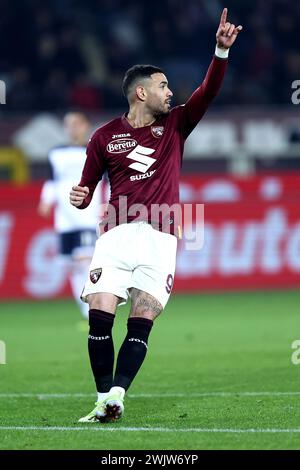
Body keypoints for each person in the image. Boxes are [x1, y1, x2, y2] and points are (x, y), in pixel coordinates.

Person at [70, 9, 242, 422]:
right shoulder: (104, 136)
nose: (171, 91)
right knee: (100, 309)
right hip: (116, 233)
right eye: (163, 86)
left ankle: (116, 396)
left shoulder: (178, 123)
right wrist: (80, 196)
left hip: (161, 237)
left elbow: (208, 92)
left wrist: (220, 50)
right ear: (141, 93)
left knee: (143, 315)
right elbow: (86, 187)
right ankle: (101, 395)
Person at [38, 112, 107, 320]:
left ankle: (96, 311)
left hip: (87, 216)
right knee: (72, 266)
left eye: (77, 123)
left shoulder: (96, 151)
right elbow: (52, 180)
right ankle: (87, 313)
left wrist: (108, 205)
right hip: (65, 220)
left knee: (86, 263)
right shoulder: (56, 153)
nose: (72, 128)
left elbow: (107, 181)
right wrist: (46, 200)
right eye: (68, 124)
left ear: (86, 125)